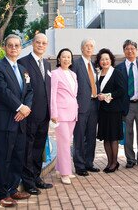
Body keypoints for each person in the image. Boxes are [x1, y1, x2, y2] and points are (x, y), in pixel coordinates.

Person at [0, 35, 33, 207]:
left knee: (17, 156)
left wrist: (26, 108)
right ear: (4, 47)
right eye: (10, 45)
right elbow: (2, 91)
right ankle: (1, 193)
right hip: (5, 120)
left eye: (17, 45)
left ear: (21, 47)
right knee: (2, 158)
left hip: (21, 120)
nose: (14, 48)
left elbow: (29, 91)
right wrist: (19, 107)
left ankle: (13, 189)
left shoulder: (23, 69)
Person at [18, 33, 53, 194]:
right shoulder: (23, 62)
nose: (41, 45)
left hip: (45, 114)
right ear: (33, 43)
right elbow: (22, 90)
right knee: (28, 148)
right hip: (30, 113)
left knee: (39, 147)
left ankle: (37, 177)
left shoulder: (47, 64)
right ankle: (28, 181)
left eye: (44, 43)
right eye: (38, 42)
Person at [116, 39, 138, 169]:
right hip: (127, 105)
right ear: (124, 51)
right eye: (127, 49)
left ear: (136, 50)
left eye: (132, 49)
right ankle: (130, 159)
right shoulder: (119, 68)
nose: (130, 51)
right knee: (128, 133)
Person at [71, 38, 100, 176]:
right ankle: (79, 165)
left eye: (91, 46)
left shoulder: (93, 66)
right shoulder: (75, 64)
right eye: (86, 46)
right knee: (80, 137)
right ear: (82, 48)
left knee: (91, 136)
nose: (89, 48)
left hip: (94, 105)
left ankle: (89, 163)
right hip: (81, 106)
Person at [50, 48, 79, 185]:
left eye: (69, 57)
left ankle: (59, 168)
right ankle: (65, 173)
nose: (66, 59)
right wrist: (53, 113)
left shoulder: (73, 74)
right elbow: (52, 95)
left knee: (66, 142)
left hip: (72, 113)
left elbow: (74, 94)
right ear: (59, 59)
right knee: (64, 144)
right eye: (64, 57)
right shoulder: (55, 74)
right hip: (61, 114)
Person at [95, 48, 126, 173]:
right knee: (106, 137)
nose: (105, 61)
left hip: (114, 110)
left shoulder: (116, 72)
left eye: (107, 59)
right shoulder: (97, 74)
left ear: (111, 60)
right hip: (102, 111)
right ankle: (109, 162)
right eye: (102, 59)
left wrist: (107, 96)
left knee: (113, 137)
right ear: (99, 61)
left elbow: (121, 90)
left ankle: (114, 162)